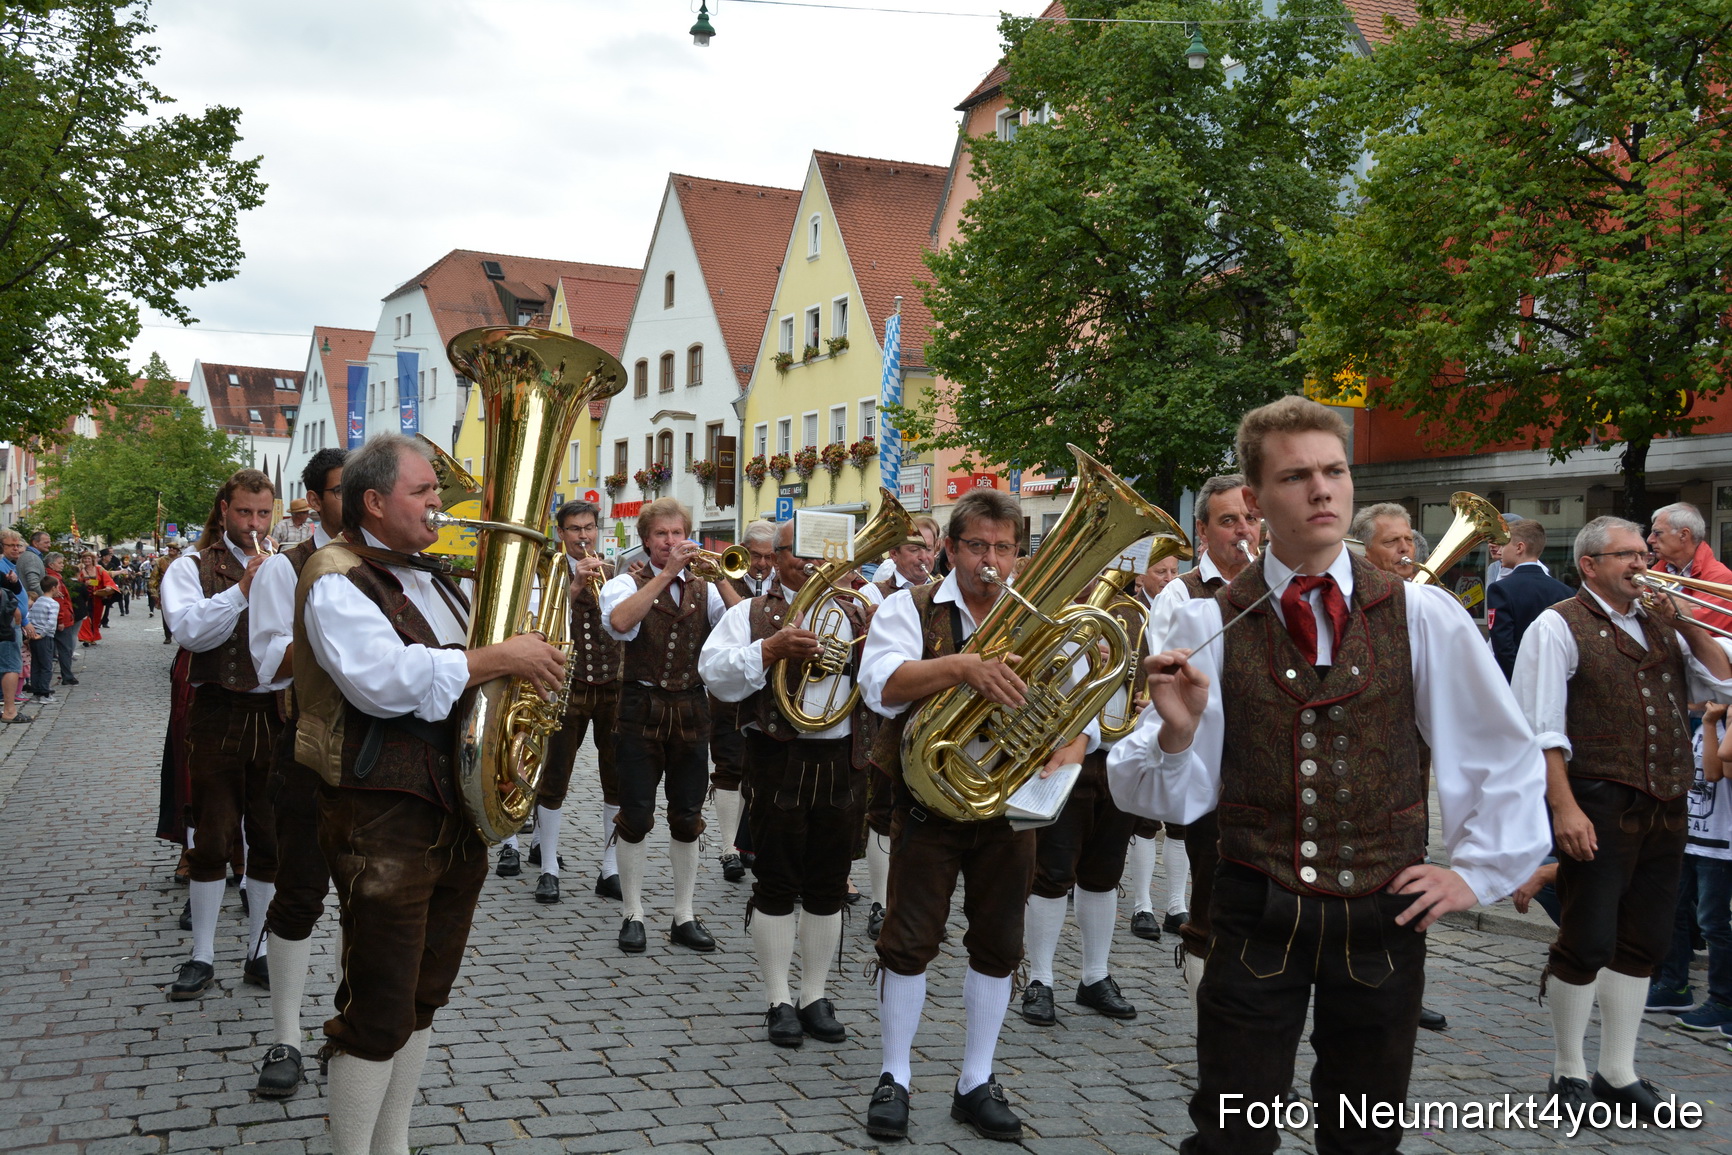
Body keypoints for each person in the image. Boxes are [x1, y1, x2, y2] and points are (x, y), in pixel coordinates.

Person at [1109, 396, 1549, 1154]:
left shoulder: (1422, 614)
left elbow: (1499, 748)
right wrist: (1177, 736)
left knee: (1363, 1139)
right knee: (1231, 1135)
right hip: (1253, 908)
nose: (1321, 490)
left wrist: (1472, 874)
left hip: (1383, 914)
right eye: (1296, 476)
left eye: (1334, 470)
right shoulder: (1206, 619)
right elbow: (1168, 796)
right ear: (1253, 501)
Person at [293, 433, 564, 1153]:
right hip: (380, 816)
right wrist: (499, 656)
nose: (440, 505)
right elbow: (383, 683)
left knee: (422, 994)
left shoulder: (436, 577)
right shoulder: (334, 576)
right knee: (377, 1006)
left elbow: (479, 674)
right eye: (424, 493)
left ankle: (395, 1142)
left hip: (452, 813)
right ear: (375, 501)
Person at [858, 487, 1090, 1143]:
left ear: (1019, 555)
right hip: (929, 798)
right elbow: (880, 682)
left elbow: (1082, 711)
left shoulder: (1041, 614)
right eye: (977, 546)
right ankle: (895, 1074)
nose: (990, 559)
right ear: (952, 550)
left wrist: (1067, 745)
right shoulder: (911, 607)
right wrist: (962, 666)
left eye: (1003, 548)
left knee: (998, 943)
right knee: (908, 941)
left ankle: (975, 1080)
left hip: (1009, 803)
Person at [1511, 515, 1732, 1118]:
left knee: (1644, 941)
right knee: (1586, 938)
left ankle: (1618, 1068)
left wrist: (1684, 616)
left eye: (1644, 552)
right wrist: (1564, 809)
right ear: (1590, 565)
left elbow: (1723, 679)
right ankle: (1568, 1070)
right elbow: (1541, 729)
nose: (1642, 563)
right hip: (1598, 802)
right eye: (1627, 555)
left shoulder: (1663, 620)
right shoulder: (1556, 626)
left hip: (1664, 803)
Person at [700, 518, 871, 1047]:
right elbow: (715, 673)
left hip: (843, 757)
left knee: (828, 882)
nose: (815, 563)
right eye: (802, 552)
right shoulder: (751, 612)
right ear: (775, 558)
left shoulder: (863, 609)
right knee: (775, 881)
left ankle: (815, 994)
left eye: (826, 552)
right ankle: (778, 998)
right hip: (779, 756)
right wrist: (770, 650)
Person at [159, 469, 282, 999]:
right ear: (224, 511)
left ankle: (259, 949)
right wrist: (242, 590)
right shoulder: (189, 566)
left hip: (276, 715)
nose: (254, 523)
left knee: (269, 836)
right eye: (244, 513)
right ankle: (202, 954)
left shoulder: (284, 562)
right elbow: (188, 631)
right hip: (216, 712)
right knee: (211, 835)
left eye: (263, 513)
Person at [246, 446, 345, 1097]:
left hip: (382, 757)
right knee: (299, 895)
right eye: (343, 488)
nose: (361, 497)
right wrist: (340, 639)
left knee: (374, 903)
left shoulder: (399, 564)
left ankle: (351, 1029)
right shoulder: (286, 568)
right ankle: (285, 1035)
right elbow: (265, 664)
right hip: (308, 750)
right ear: (312, 499)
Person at [599, 497, 740, 953]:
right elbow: (621, 622)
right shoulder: (625, 583)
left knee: (687, 815)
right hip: (640, 706)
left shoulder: (706, 588)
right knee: (636, 813)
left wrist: (725, 579)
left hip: (692, 708)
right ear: (646, 541)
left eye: (678, 533)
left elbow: (746, 626)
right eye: (662, 534)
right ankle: (633, 913)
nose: (672, 542)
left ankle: (684, 914)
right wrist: (664, 576)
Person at [1131, 476, 1259, 967]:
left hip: (1267, 768)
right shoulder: (1181, 595)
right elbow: (1175, 684)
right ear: (1203, 531)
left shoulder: (1278, 585)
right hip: (1213, 762)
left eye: (1251, 519)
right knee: (1211, 908)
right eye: (1229, 521)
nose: (1244, 531)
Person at [1020, 561, 1146, 1030]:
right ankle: (1041, 978)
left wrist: (1148, 699)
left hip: (1121, 756)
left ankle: (1095, 975)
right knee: (1052, 870)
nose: (1100, 574)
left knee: (1104, 872)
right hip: (1064, 755)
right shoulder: (1051, 615)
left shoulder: (1135, 618)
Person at [511, 498, 621, 905]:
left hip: (612, 685)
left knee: (616, 779)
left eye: (589, 527)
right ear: (561, 534)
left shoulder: (616, 572)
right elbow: (539, 629)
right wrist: (574, 587)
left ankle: (610, 867)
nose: (583, 536)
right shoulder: (547, 575)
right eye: (574, 529)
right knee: (555, 776)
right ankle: (549, 867)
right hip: (566, 684)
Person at [858, 516, 939, 939]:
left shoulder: (943, 595)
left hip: (937, 727)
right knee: (882, 808)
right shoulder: (877, 593)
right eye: (914, 549)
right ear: (894, 555)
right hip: (888, 715)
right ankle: (878, 900)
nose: (923, 557)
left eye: (928, 548)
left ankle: (915, 899)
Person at [1648, 702, 1732, 1032]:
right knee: (1673, 910)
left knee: (1712, 922)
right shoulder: (1698, 723)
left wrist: (1711, 722)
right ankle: (1674, 984)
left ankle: (1723, 999)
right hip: (1690, 838)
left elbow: (1714, 771)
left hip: (1720, 844)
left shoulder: (1718, 724)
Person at [705, 518, 778, 887]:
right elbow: (744, 620)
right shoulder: (721, 580)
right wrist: (719, 577)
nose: (762, 564)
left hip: (770, 690)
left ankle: (756, 843)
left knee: (764, 768)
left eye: (769, 556)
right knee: (729, 766)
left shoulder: (782, 585)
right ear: (742, 551)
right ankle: (728, 849)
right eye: (755, 555)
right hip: (731, 690)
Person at [1486, 518, 1574, 680]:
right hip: (1555, 678)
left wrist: (1519, 683)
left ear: (1519, 548)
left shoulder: (1500, 589)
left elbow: (1503, 648)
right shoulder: (1566, 591)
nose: (1501, 551)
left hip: (1516, 681)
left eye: (1504, 545)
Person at [1648, 501, 1732, 635]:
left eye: (1657, 533)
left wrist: (1658, 607)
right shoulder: (1657, 571)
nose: (1650, 539)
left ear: (1684, 535)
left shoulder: (1721, 578)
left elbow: (1694, 628)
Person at [0, 533, 28, 725]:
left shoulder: (9, 565)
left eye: (18, 545)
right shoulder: (2, 564)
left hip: (10, 621)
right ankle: (10, 711)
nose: (15, 548)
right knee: (10, 665)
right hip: (6, 623)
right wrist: (17, 612)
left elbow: (14, 590)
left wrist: (13, 582)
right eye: (11, 545)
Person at [1349, 502, 1417, 581]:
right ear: (1363, 550)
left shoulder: (1422, 591)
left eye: (1409, 539)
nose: (1405, 548)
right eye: (1391, 541)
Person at [44, 552, 78, 683]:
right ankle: (67, 676)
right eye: (60, 563)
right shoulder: (53, 579)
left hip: (63, 617)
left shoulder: (54, 577)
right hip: (62, 619)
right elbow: (58, 602)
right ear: (51, 564)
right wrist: (61, 619)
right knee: (65, 648)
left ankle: (67, 675)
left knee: (63, 648)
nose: (62, 565)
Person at [26, 573, 59, 703]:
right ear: (53, 588)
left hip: (33, 635)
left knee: (35, 665)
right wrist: (43, 634)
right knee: (46, 665)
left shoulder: (38, 601)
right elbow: (51, 622)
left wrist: (30, 633)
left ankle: (36, 692)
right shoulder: (53, 603)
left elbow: (29, 617)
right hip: (44, 637)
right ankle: (45, 693)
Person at [75, 552, 118, 644]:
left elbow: (107, 580)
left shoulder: (99, 569)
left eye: (88, 559)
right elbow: (75, 581)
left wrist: (108, 587)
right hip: (83, 597)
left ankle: (93, 637)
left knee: (96, 618)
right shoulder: (79, 569)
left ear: (92, 560)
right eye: (85, 559)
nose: (86, 560)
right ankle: (86, 637)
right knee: (85, 616)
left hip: (96, 597)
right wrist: (83, 583)